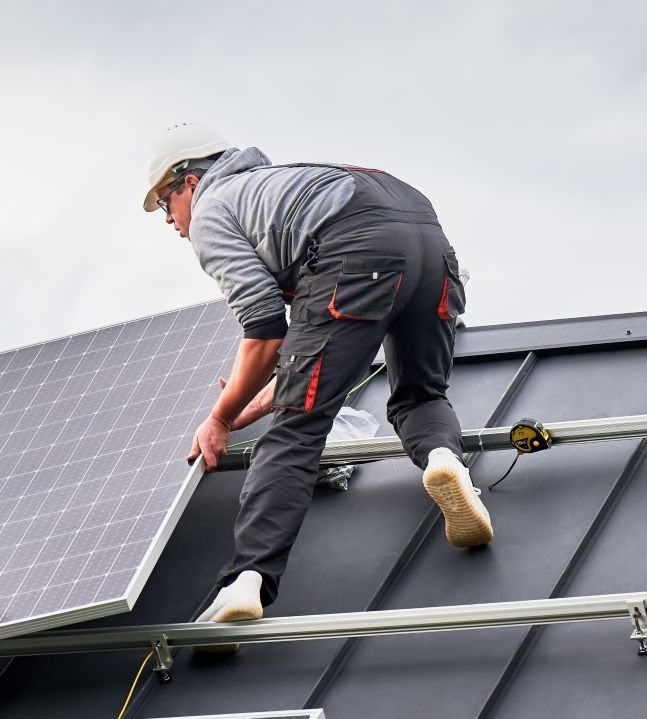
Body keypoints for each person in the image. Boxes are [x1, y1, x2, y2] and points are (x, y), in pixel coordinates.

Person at [142, 123, 493, 631]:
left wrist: (220, 418)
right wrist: (265, 396)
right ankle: (445, 461)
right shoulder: (278, 186)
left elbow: (263, 329)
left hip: (354, 252)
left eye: (166, 207)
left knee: (296, 430)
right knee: (419, 394)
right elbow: (309, 343)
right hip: (428, 243)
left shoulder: (214, 209)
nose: (173, 224)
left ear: (190, 183)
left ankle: (245, 582)